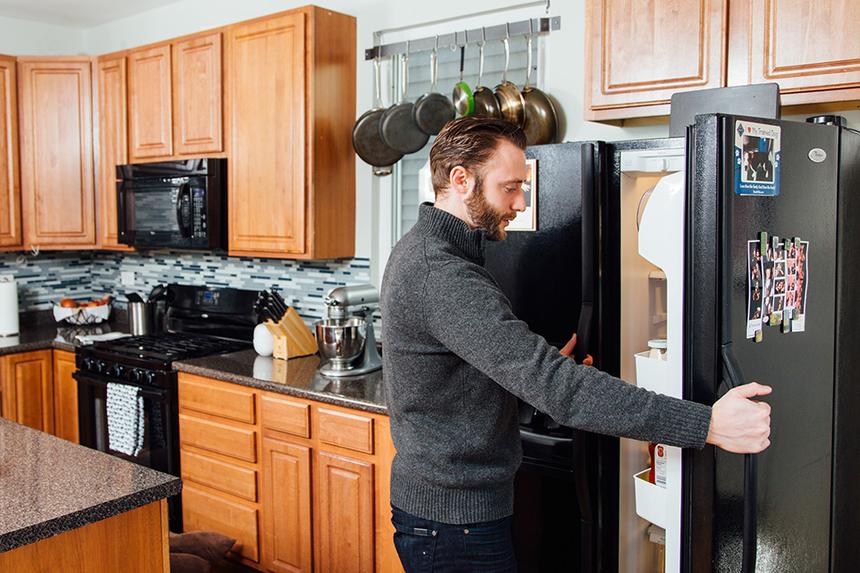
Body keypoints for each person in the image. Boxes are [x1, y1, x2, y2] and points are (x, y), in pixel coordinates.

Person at [380, 117, 772, 573]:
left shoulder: (436, 253)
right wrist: (706, 424)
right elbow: (562, 390)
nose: (521, 202)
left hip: (455, 511)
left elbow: (460, 379)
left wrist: (532, 369)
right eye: (510, 188)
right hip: (453, 523)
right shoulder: (442, 273)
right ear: (461, 180)